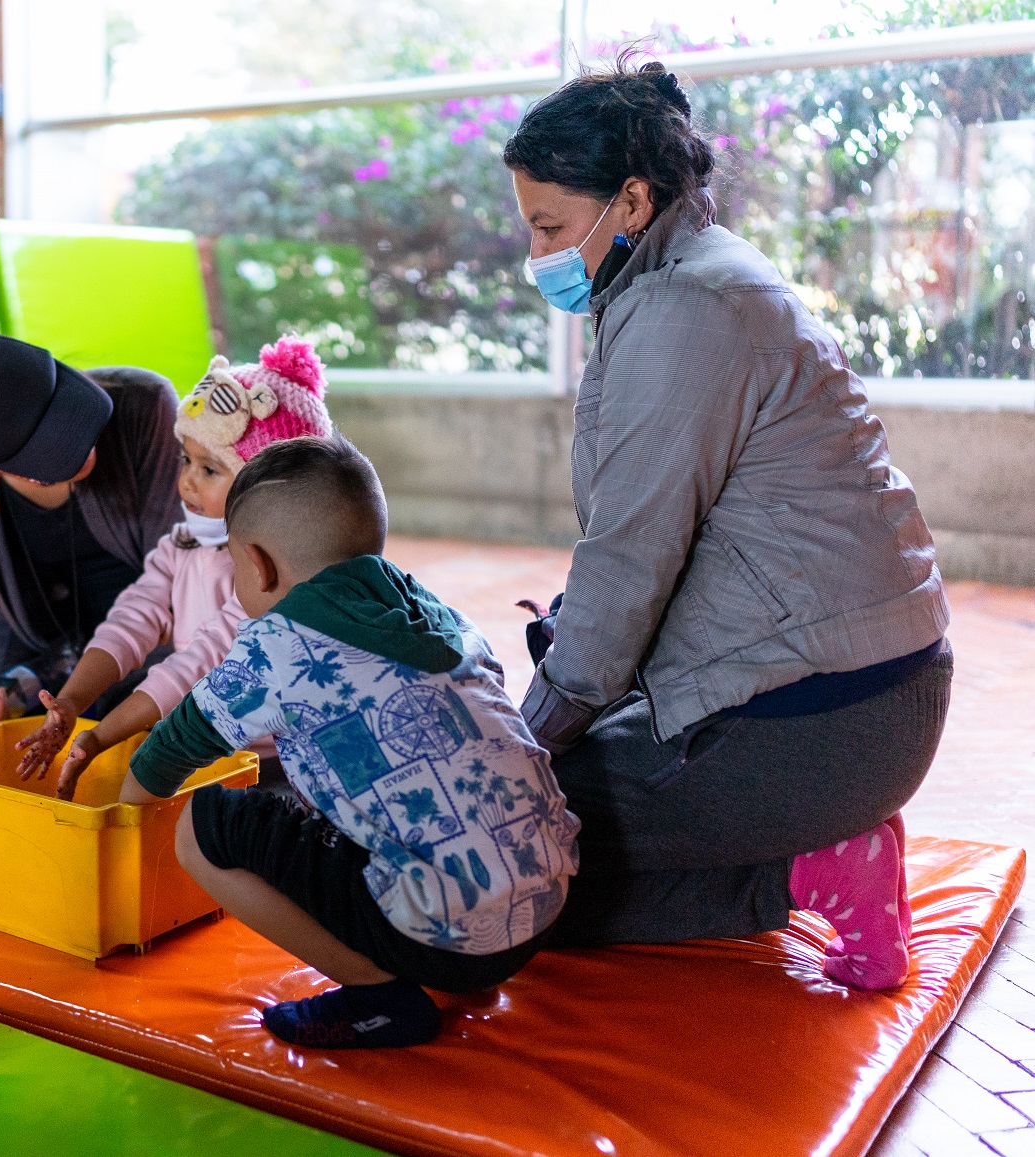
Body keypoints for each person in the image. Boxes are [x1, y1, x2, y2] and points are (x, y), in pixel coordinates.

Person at [501, 59, 950, 989]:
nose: (536, 251)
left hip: (820, 720)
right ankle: (815, 850)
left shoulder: (683, 310)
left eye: (548, 226)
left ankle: (812, 868)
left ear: (628, 201)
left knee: (495, 862)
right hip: (855, 692)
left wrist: (510, 750)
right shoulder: (693, 278)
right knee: (519, 826)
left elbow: (625, 566)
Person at [121, 436, 580, 1050]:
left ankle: (379, 996)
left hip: (443, 936)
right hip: (546, 905)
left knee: (199, 832)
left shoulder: (278, 643)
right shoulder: (441, 616)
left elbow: (171, 748)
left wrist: (121, 820)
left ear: (257, 565)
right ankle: (441, 950)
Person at [15, 336, 335, 797]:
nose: (185, 479)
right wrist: (70, 701)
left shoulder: (277, 573)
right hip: (209, 742)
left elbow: (204, 664)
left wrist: (103, 732)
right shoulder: (183, 544)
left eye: (209, 469)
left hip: (278, 765)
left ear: (270, 490)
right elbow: (133, 618)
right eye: (186, 459)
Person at [0, 334, 183, 719]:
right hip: (57, 665)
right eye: (46, 447)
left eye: (66, 410)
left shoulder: (145, 407)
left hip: (158, 646)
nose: (82, 442)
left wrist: (92, 701)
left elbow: (179, 592)